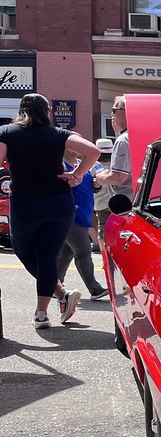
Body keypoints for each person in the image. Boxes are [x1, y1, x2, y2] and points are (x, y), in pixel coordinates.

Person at [0, 93, 100, 328]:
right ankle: (43, 312)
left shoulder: (7, 132)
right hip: (58, 202)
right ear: (46, 112)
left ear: (21, 110)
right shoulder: (58, 134)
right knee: (46, 256)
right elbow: (94, 151)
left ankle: (58, 297)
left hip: (25, 203)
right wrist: (77, 175)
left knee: (25, 252)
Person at [58, 158, 109, 301]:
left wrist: (97, 184)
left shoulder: (84, 162)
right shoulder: (60, 164)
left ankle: (53, 285)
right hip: (70, 214)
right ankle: (94, 288)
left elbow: (93, 186)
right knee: (83, 251)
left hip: (84, 211)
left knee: (65, 253)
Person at [94, 95, 133, 200]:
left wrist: (100, 177)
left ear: (125, 112)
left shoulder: (123, 140)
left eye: (114, 110)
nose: (112, 114)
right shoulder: (135, 136)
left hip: (124, 205)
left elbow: (118, 177)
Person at [91, 137, 114, 250]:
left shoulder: (93, 166)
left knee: (102, 228)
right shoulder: (116, 164)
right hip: (116, 200)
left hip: (100, 202)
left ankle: (104, 254)